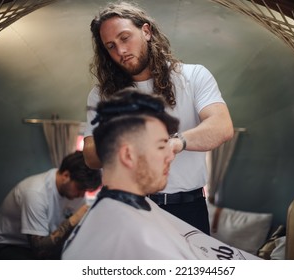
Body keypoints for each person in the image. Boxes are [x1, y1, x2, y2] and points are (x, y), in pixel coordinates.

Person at [82, 1, 234, 235]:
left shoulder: (193, 76)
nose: (120, 51)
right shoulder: (101, 94)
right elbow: (91, 156)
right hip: (130, 207)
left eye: (125, 38)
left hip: (189, 209)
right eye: (110, 46)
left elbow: (222, 127)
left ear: (146, 31)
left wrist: (173, 143)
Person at [62, 89, 255, 260]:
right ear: (128, 154)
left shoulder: (121, 214)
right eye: (162, 145)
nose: (171, 154)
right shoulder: (123, 238)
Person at [0, 151, 102, 260]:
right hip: (2, 246)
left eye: (85, 191)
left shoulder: (75, 194)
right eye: (80, 189)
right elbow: (40, 252)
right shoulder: (35, 192)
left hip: (34, 246)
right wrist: (74, 219)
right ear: (66, 176)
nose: (82, 195)